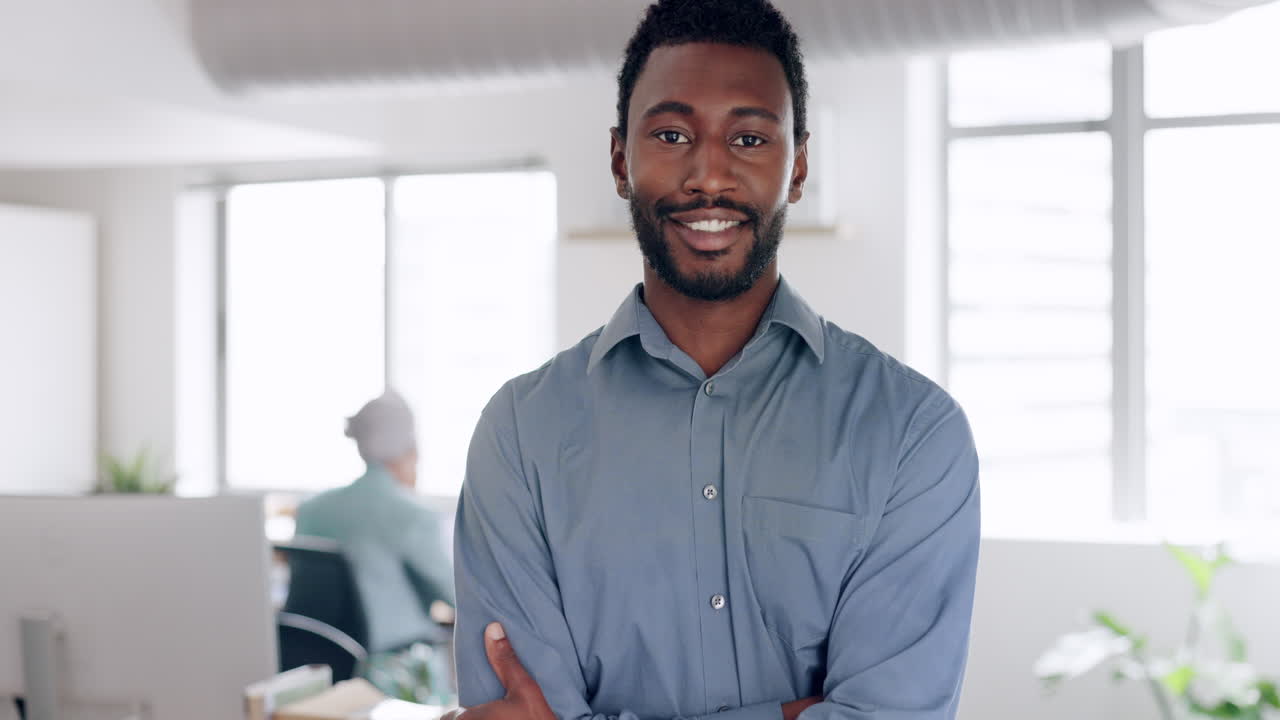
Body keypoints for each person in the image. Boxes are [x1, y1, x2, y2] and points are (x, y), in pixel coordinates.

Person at [450, 1, 981, 719]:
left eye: (749, 138)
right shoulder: (520, 434)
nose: (708, 175)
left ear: (798, 166)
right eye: (672, 135)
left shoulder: (912, 431)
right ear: (620, 160)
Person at [294, 389, 455, 654]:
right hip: (392, 667)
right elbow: (456, 596)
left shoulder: (311, 509)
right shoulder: (413, 515)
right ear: (410, 452)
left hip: (318, 661)